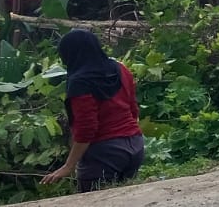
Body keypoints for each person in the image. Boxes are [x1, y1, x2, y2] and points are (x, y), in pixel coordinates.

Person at [42, 30, 144, 193]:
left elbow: (86, 129)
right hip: (135, 145)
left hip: (104, 153)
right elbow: (133, 108)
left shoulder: (80, 82)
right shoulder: (120, 68)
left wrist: (68, 166)